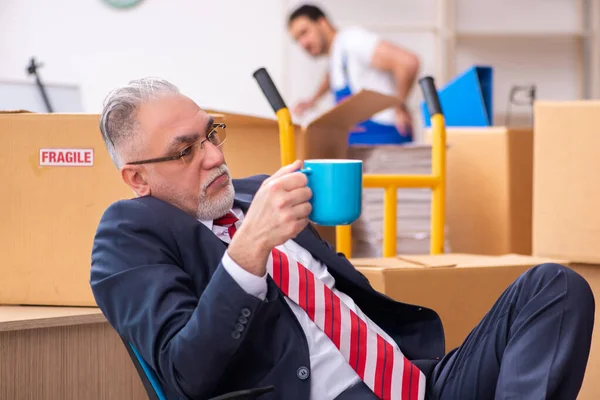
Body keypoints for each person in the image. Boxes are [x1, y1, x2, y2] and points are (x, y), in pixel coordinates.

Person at [91, 77, 594, 400]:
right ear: (138, 179)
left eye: (211, 133)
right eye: (185, 151)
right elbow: (184, 377)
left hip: (416, 383)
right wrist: (249, 250)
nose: (214, 156)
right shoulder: (128, 235)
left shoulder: (259, 193)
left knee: (555, 287)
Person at [287, 4, 420, 145]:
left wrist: (399, 105)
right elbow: (330, 77)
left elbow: (408, 62)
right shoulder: (338, 54)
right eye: (297, 40)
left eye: (304, 33)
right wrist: (312, 101)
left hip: (384, 139)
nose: (303, 44)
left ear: (322, 23)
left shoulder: (352, 40)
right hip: (364, 142)